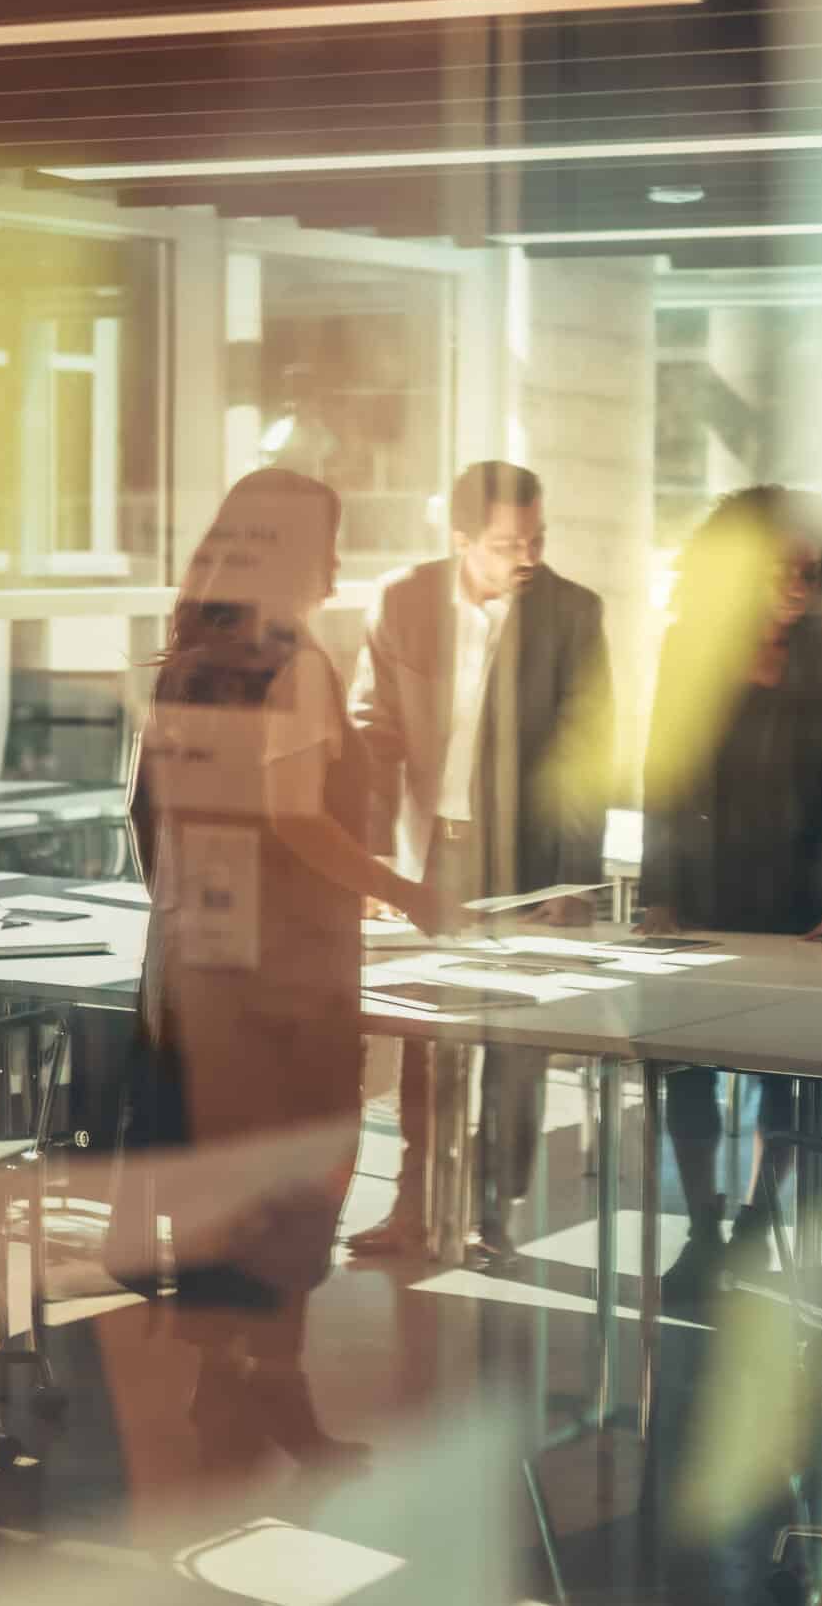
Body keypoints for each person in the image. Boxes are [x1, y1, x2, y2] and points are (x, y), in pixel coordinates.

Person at [116, 467, 450, 1470]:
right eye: (329, 542)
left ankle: (223, 1390)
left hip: (195, 969)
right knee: (299, 1185)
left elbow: (147, 813)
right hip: (286, 983)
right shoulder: (288, 661)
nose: (338, 563)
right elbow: (295, 816)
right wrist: (408, 889)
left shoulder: (187, 659)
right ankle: (277, 1397)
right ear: (299, 554)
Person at [344, 460, 615, 1265]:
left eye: (537, 537)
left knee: (514, 1038)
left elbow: (584, 754)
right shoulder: (403, 598)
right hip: (432, 852)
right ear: (460, 538)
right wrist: (370, 861)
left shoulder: (573, 612)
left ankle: (491, 1214)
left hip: (528, 862)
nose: (527, 555)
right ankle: (417, 1206)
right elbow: (372, 729)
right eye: (507, 543)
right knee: (428, 1039)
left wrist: (573, 883)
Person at [637, 486, 822, 1303]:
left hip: (799, 901)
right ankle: (702, 1231)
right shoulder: (687, 648)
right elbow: (662, 775)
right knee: (690, 1072)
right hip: (701, 895)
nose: (797, 577)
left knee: (788, 1074)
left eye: (810, 564)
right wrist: (657, 891)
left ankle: (754, 1222)